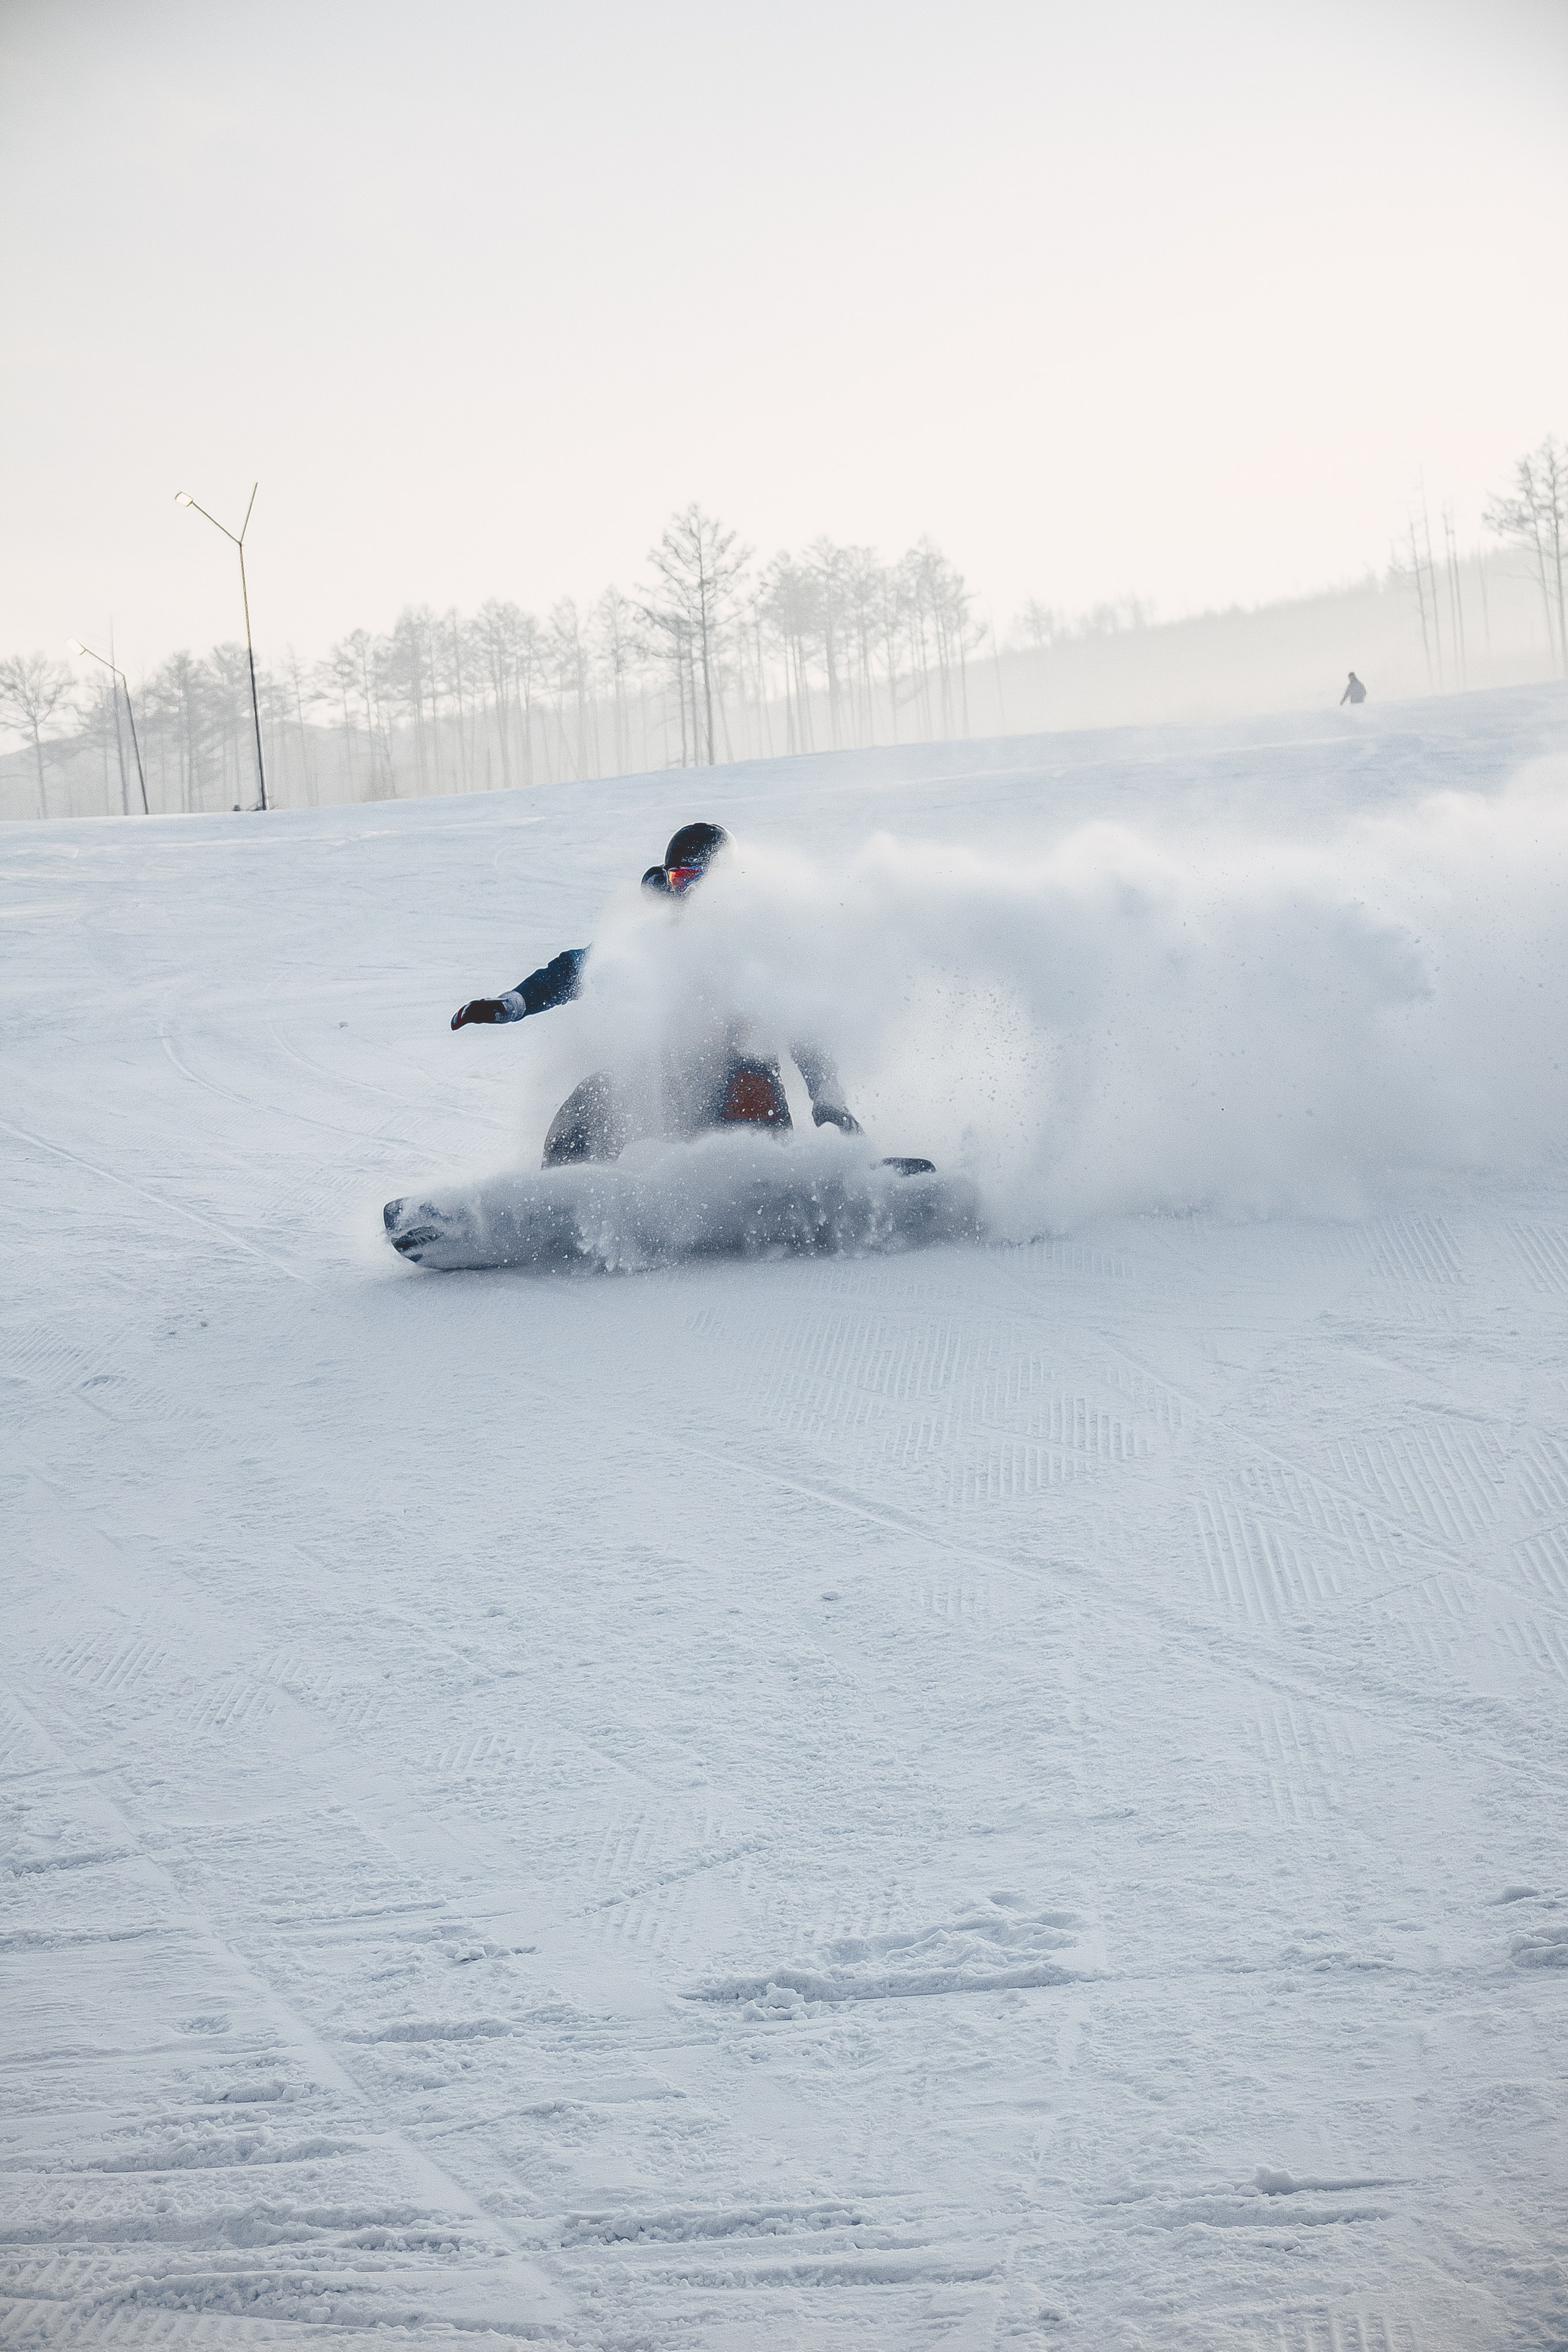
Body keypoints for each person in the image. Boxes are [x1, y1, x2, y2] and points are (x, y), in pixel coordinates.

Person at [451, 821, 862, 1166]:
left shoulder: (759, 945)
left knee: (749, 1085)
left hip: (742, 1085)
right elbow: (579, 966)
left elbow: (805, 1032)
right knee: (593, 1095)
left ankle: (768, 1184)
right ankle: (557, 1194)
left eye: (704, 880)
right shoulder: (654, 936)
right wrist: (513, 1004)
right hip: (672, 1086)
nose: (693, 893)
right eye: (681, 879)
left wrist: (830, 1104)